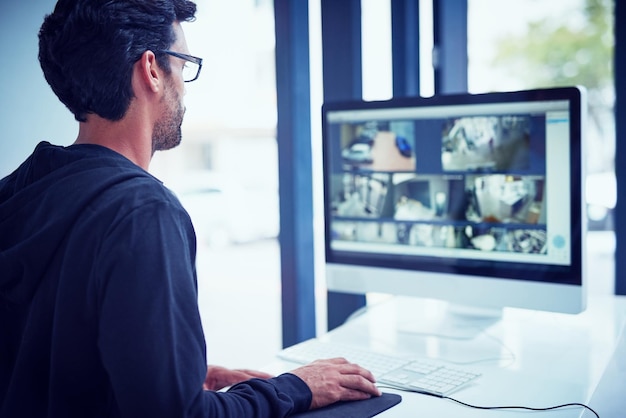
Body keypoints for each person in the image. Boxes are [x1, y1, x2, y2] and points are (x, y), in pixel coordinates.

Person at [0, 1, 381, 417]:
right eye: (183, 63)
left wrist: (167, 374)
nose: (185, 82)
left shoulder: (21, 188)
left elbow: (45, 363)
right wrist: (297, 388)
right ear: (151, 70)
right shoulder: (142, 211)